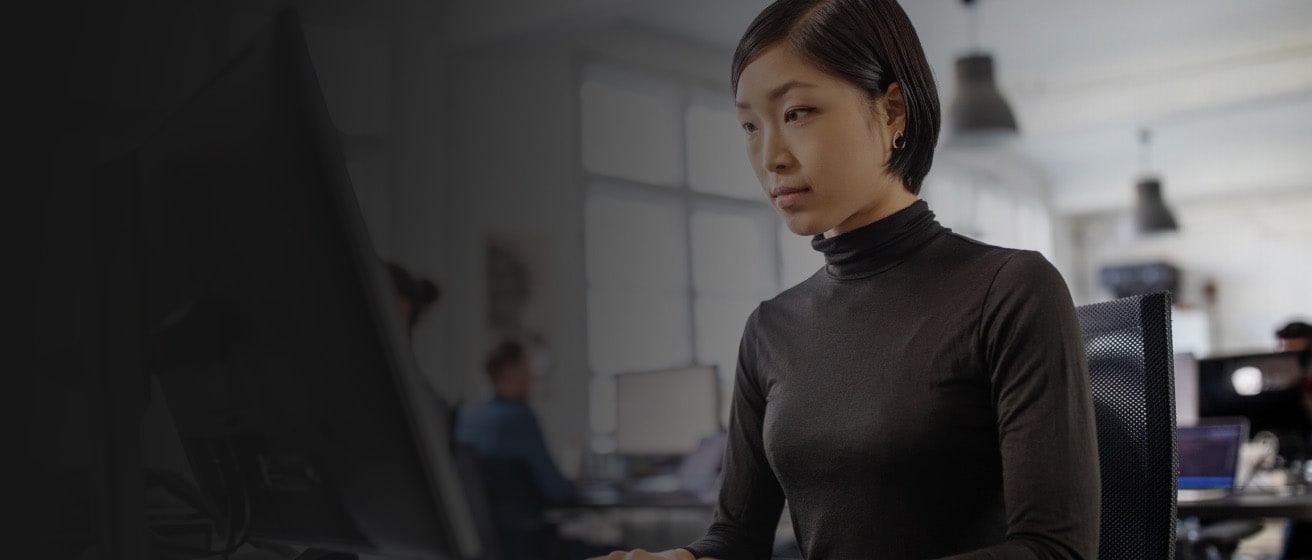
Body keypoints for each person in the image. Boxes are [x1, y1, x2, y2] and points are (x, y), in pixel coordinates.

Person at [594, 1, 1100, 559]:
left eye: (797, 113)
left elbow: (1054, 550)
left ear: (892, 111)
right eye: (750, 126)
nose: (770, 157)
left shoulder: (1011, 290)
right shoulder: (769, 329)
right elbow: (736, 539)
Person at [455, 338, 581, 560]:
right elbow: (558, 492)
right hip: (525, 545)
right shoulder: (519, 419)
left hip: (482, 546)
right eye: (527, 367)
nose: (533, 377)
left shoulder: (467, 416)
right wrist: (575, 486)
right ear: (512, 371)